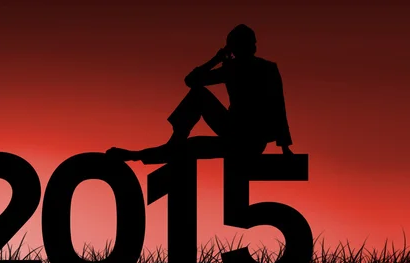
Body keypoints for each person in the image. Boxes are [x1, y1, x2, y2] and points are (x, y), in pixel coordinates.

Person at [106, 24, 294, 163]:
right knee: (196, 105)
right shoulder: (232, 68)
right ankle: (165, 144)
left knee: (186, 147)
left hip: (250, 141)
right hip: (233, 130)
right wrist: (216, 59)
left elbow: (278, 108)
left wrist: (285, 148)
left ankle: (138, 155)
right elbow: (191, 81)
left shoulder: (265, 69)